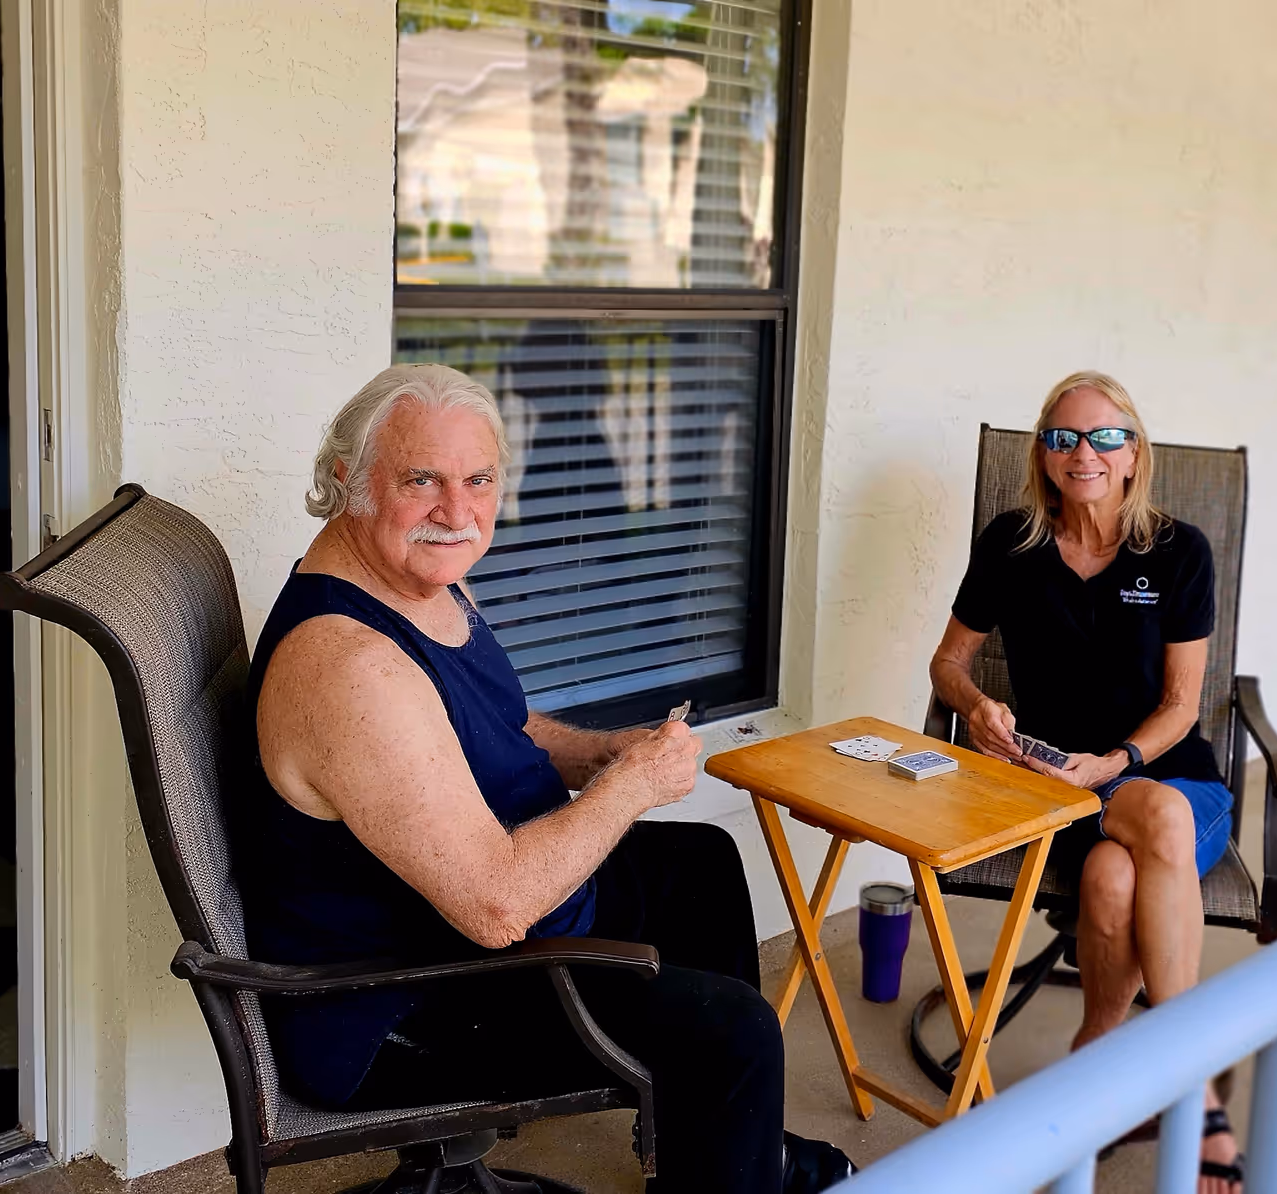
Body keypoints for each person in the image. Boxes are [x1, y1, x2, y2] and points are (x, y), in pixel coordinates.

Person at [238, 364, 852, 1194]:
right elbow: (496, 907)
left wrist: (602, 755)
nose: (457, 512)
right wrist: (630, 787)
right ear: (350, 481)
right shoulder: (350, 668)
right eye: (422, 480)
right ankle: (730, 1149)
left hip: (478, 910)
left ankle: (719, 1150)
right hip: (403, 1000)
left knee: (701, 867)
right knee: (732, 1031)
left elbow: (502, 722)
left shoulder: (420, 577)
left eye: (479, 480)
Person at [928, 370, 1243, 1194]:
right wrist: (976, 706)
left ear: (1134, 454)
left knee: (1147, 835)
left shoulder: (1179, 552)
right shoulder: (1011, 544)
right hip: (1057, 784)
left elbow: (1181, 706)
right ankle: (1135, 1069)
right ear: (1044, 455)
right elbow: (948, 663)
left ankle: (1165, 1074)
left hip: (1167, 779)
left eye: (1106, 437)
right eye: (1064, 437)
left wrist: (1117, 762)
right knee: (1110, 870)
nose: (1085, 453)